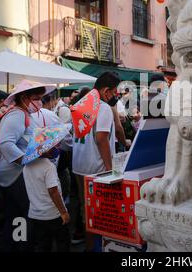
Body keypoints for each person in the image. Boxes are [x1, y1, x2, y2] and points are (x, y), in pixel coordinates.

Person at [0, 79, 55, 252]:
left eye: (41, 97)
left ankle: (12, 246)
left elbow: (25, 141)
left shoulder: (23, 114)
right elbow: (4, 143)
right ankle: (22, 246)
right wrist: (27, 160)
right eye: (36, 97)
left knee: (15, 215)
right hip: (14, 175)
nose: (40, 102)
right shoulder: (17, 115)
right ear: (25, 97)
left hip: (12, 175)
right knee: (26, 215)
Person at [72, 72, 119, 251]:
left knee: (87, 211)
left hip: (79, 165)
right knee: (97, 214)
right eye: (114, 92)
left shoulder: (80, 104)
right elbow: (101, 139)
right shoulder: (103, 107)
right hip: (96, 168)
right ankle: (93, 248)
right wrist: (110, 169)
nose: (115, 96)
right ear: (106, 91)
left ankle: (89, 246)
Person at [23, 141, 70, 252]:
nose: (56, 147)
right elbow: (53, 190)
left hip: (36, 215)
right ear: (43, 149)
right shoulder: (48, 166)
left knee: (43, 245)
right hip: (53, 215)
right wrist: (63, 212)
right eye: (52, 145)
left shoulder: (26, 166)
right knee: (62, 242)